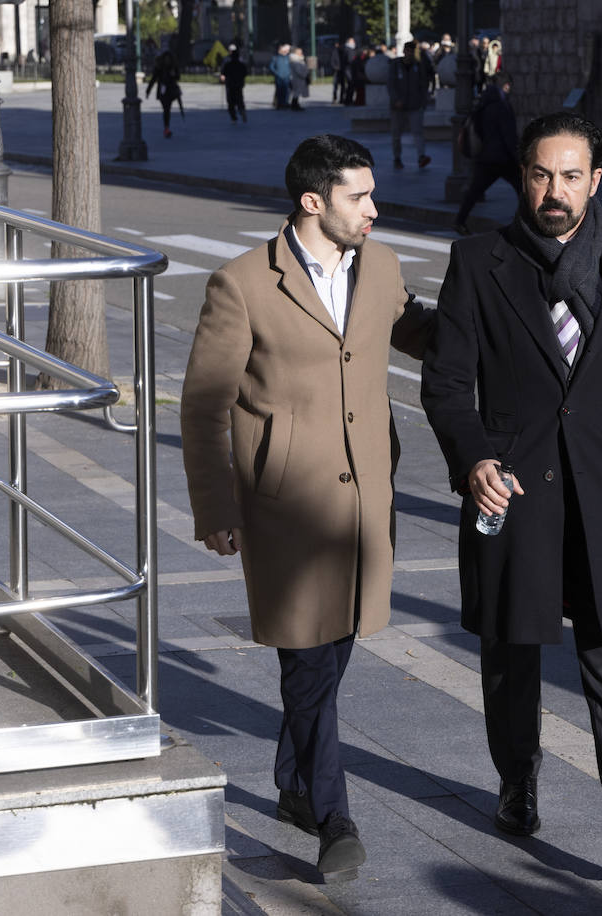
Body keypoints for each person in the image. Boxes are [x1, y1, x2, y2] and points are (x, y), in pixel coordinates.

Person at [420, 111, 602, 881]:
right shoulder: (479, 263)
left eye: (571, 176)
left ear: (595, 181)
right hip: (510, 486)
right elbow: (444, 384)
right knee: (511, 652)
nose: (555, 191)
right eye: (542, 175)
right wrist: (472, 457)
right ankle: (517, 780)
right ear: (523, 179)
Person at [180, 134, 433, 884]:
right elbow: (204, 407)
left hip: (364, 502)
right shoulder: (242, 284)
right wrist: (215, 505)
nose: (374, 210)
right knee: (307, 659)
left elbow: (414, 331)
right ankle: (334, 815)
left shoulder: (379, 266)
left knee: (338, 643)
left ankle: (293, 785)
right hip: (286, 505)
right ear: (314, 202)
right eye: (360, 196)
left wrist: (495, 322)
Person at [454, 71, 521, 235]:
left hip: (485, 157)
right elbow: (508, 135)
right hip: (503, 158)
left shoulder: (483, 103)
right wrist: (518, 157)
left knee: (475, 191)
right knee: (523, 190)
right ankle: (525, 224)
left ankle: (459, 221)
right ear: (506, 86)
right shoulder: (502, 105)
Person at [387, 40, 433, 169]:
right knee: (396, 134)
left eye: (412, 51)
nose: (410, 54)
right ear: (404, 51)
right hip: (397, 107)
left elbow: (423, 85)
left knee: (418, 132)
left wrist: (423, 102)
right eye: (408, 51)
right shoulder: (395, 65)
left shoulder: (418, 65)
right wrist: (396, 100)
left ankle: (421, 156)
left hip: (415, 105)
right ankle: (397, 158)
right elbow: (391, 85)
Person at [144, 50, 182, 138]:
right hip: (163, 91)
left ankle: (166, 128)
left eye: (169, 59)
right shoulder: (159, 68)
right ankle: (166, 128)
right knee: (166, 110)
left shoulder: (173, 67)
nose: (167, 61)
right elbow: (153, 79)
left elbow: (178, 77)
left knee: (167, 110)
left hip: (171, 91)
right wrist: (148, 91)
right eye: (166, 59)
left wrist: (173, 75)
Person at [220, 44, 249, 122]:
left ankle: (234, 116)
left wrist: (223, 76)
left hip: (230, 85)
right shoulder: (240, 64)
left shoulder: (229, 64)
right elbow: (245, 72)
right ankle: (241, 111)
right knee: (239, 99)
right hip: (238, 84)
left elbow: (224, 71)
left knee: (231, 102)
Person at [270, 43, 292, 109]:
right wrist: (277, 73)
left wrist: (289, 73)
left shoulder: (289, 58)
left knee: (286, 91)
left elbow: (292, 67)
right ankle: (279, 104)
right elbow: (271, 67)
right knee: (279, 91)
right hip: (278, 77)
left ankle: (285, 103)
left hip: (287, 77)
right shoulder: (275, 58)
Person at [333, 37, 355, 104]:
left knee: (345, 85)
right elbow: (350, 59)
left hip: (344, 69)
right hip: (347, 69)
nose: (354, 42)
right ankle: (347, 99)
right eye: (352, 41)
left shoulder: (345, 49)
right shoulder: (348, 49)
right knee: (349, 84)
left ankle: (344, 99)